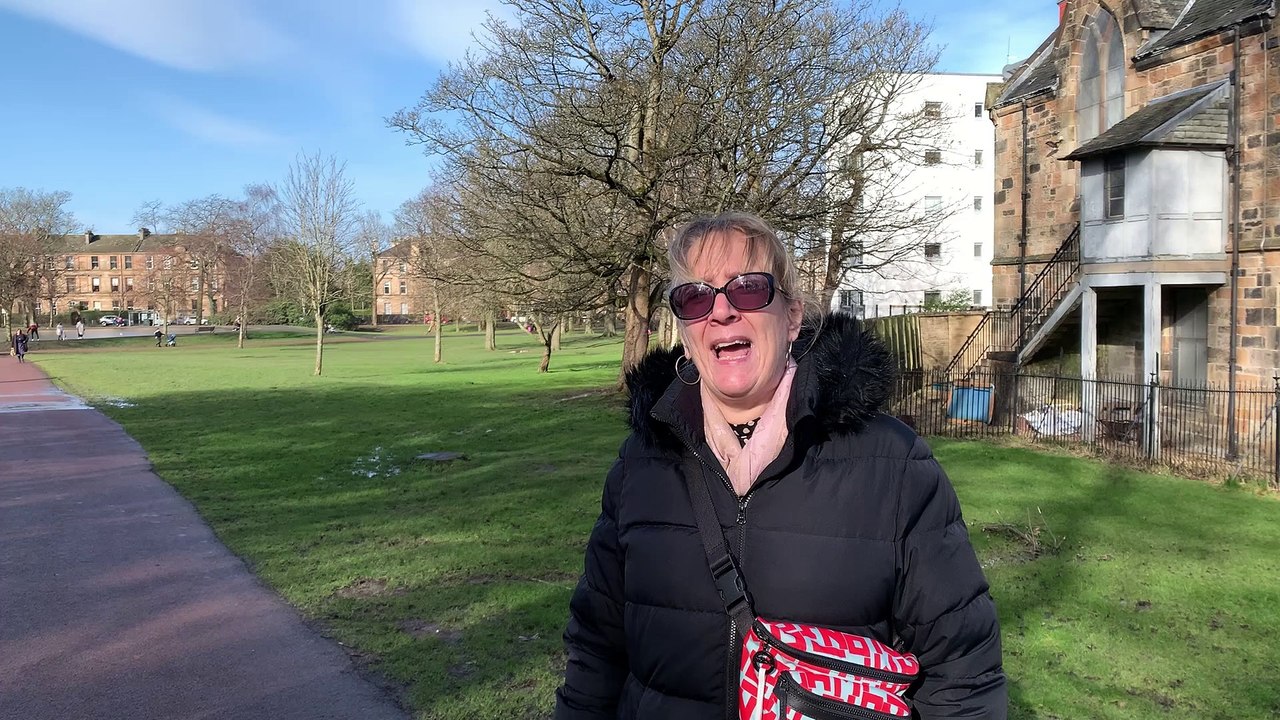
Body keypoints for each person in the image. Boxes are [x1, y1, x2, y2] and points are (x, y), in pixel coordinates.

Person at [554, 212, 1005, 719]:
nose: (721, 312)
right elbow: (596, 652)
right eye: (696, 298)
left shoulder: (893, 466)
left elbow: (963, 674)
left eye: (747, 289)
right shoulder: (641, 466)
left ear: (792, 316)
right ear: (684, 331)